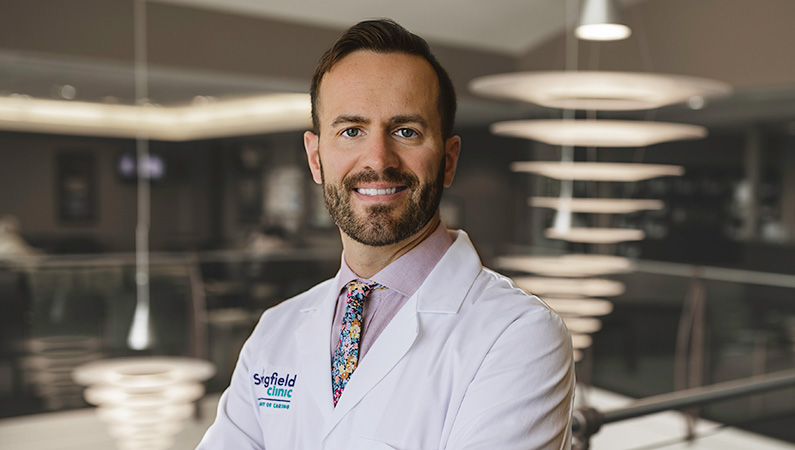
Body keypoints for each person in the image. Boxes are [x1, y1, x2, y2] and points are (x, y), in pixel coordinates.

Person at [197, 18, 574, 450]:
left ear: (448, 161)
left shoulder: (520, 335)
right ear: (316, 158)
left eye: (405, 131)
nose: (378, 158)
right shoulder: (275, 329)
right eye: (351, 131)